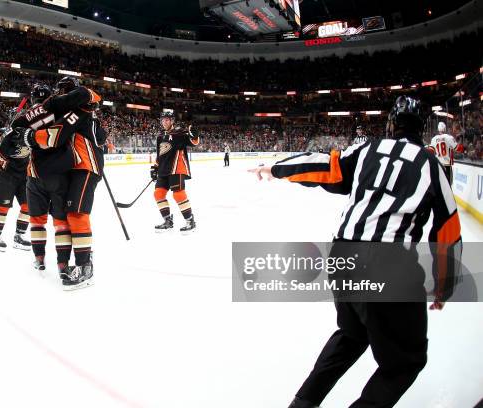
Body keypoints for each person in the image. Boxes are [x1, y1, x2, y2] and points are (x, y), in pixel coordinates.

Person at [250, 96, 462, 408]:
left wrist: (276, 169)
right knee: (405, 362)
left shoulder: (368, 149)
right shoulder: (431, 165)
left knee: (351, 335)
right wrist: (444, 286)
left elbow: (325, 166)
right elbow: (448, 233)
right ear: (422, 128)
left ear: (391, 125)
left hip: (343, 257)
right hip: (391, 266)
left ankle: (303, 402)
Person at [18, 76, 105, 290]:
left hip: (86, 166)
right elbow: (101, 136)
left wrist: (29, 135)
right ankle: (83, 259)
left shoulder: (78, 111)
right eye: (61, 91)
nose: (62, 95)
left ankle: (85, 267)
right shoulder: (81, 112)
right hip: (76, 168)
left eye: (66, 92)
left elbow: (55, 137)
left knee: (77, 214)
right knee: (70, 215)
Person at [150, 111, 200, 233]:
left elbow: (193, 143)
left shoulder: (179, 132)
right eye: (163, 119)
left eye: (167, 119)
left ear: (172, 121)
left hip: (176, 168)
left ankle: (190, 221)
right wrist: (155, 167)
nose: (165, 122)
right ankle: (168, 221)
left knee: (178, 194)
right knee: (158, 194)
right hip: (163, 169)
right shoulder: (160, 136)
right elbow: (159, 154)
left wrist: (195, 136)